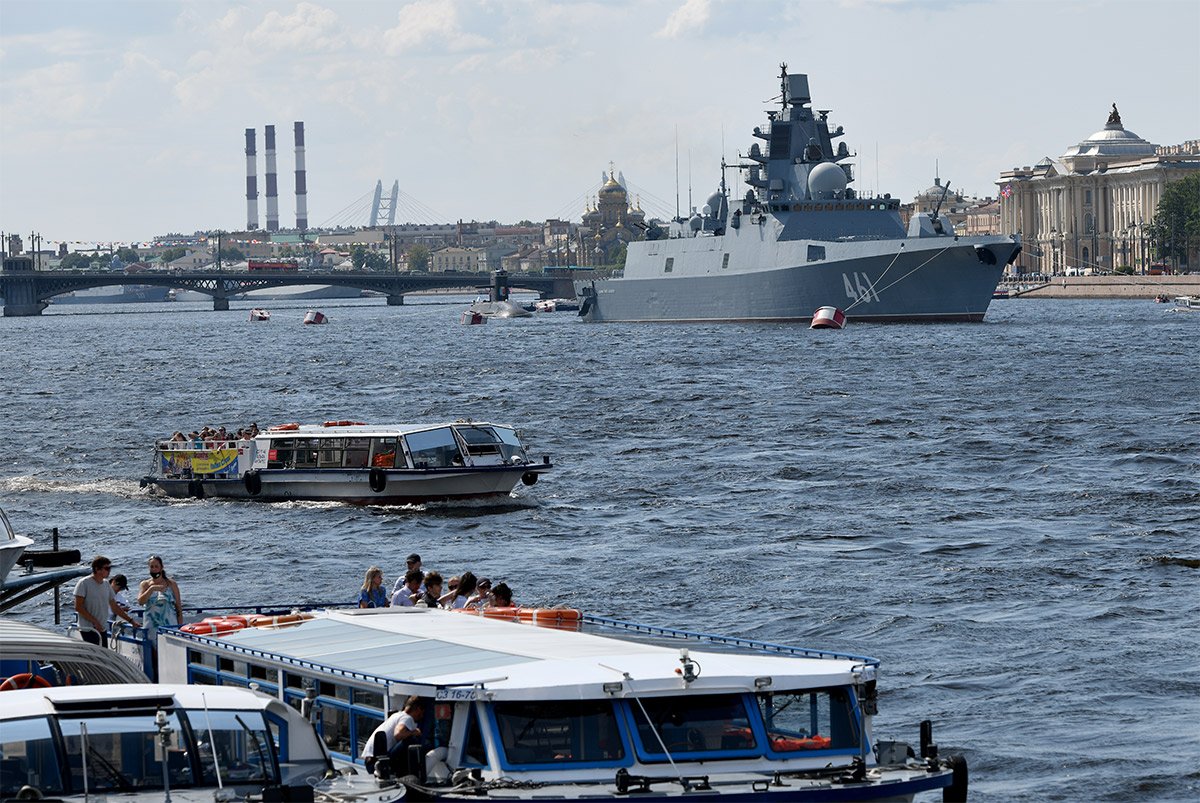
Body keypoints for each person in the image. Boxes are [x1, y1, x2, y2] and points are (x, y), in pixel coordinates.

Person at [75, 556, 138, 647]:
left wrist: (131, 621)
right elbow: (78, 607)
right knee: (95, 656)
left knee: (103, 656)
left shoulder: (106, 584)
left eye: (110, 568)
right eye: (107, 568)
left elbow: (114, 607)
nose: (109, 571)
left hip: (102, 628)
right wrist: (95, 622)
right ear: (97, 569)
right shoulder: (83, 583)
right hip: (88, 629)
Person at [362, 695, 425, 775]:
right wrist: (414, 732)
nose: (421, 716)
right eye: (421, 713)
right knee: (410, 740)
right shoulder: (407, 718)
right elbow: (398, 734)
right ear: (418, 709)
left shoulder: (397, 715)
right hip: (377, 762)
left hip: (370, 761)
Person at [138, 555, 184, 639]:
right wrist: (151, 589)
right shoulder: (145, 584)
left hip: (169, 624)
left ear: (161, 567)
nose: (154, 569)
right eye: (152, 567)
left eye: (156, 566)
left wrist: (179, 627)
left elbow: (178, 607)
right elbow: (140, 601)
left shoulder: (171, 584)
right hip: (151, 625)